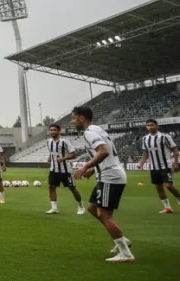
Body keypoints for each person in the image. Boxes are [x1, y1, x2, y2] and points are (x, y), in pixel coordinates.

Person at [66, 106, 134, 262]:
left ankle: (125, 253)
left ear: (81, 118)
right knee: (92, 208)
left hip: (110, 176)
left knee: (103, 214)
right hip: (107, 174)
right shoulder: (97, 129)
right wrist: (93, 169)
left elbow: (103, 151)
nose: (72, 121)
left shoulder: (90, 132)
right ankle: (123, 240)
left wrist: (86, 166)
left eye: (74, 118)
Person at [138, 119, 180, 213]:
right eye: (148, 125)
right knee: (159, 187)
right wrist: (141, 164)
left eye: (152, 125)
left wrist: (176, 163)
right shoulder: (145, 138)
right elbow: (146, 152)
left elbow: (174, 150)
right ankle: (167, 208)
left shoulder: (165, 137)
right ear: (146, 127)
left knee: (168, 185)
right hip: (154, 166)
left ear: (157, 126)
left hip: (166, 165)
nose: (150, 127)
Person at [44, 124, 84, 215]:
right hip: (53, 169)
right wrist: (50, 157)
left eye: (54, 130)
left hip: (65, 171)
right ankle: (54, 208)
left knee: (72, 188)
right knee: (51, 188)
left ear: (58, 131)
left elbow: (73, 154)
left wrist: (63, 158)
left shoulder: (64, 142)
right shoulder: (48, 142)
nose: (52, 131)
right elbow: (52, 152)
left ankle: (81, 207)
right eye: (51, 130)